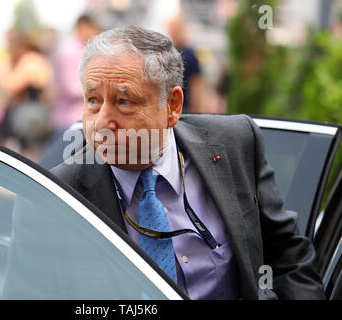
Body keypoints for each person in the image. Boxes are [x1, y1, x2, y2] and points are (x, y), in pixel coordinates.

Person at [50, 26, 325, 299]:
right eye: (93, 100)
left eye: (124, 101)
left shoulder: (235, 143)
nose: (101, 123)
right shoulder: (53, 195)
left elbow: (288, 258)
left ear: (172, 106)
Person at [0, 26, 54, 162]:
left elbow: (11, 84)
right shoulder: (36, 59)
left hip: (29, 117)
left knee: (30, 157)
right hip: (32, 116)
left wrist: (3, 67)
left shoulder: (31, 60)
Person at [51, 14, 100, 133]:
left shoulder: (82, 48)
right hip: (69, 119)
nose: (95, 33)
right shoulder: (68, 51)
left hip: (80, 119)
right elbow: (70, 88)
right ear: (82, 27)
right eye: (92, 28)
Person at [167, 15, 208, 114]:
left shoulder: (190, 54)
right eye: (171, 27)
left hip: (186, 108)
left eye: (176, 27)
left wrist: (196, 109)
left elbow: (197, 82)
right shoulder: (167, 53)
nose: (173, 31)